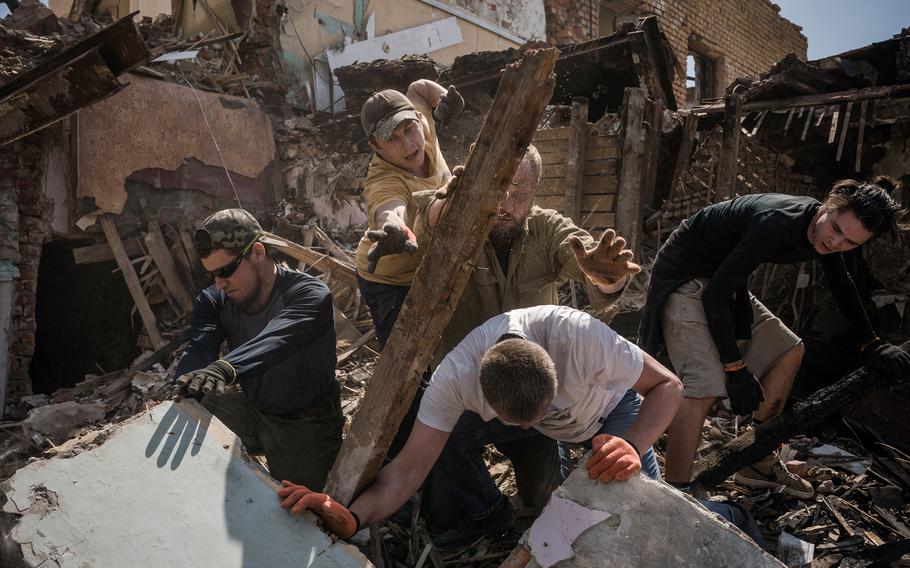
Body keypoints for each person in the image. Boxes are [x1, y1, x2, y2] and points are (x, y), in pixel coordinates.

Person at [277, 305, 683, 547]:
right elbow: (409, 468)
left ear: (554, 370)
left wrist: (631, 444)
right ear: (484, 399)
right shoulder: (454, 378)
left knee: (645, 514)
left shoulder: (576, 335)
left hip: (615, 414)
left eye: (539, 414)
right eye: (519, 422)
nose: (530, 426)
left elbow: (668, 385)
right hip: (566, 428)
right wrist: (353, 516)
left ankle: (725, 517)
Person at [639, 179, 910, 497]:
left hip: (724, 282)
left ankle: (757, 461)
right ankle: (674, 493)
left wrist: (871, 344)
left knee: (789, 349)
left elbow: (843, 284)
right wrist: (735, 368)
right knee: (703, 386)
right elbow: (714, 297)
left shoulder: (823, 232)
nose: (836, 242)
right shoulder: (777, 222)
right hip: (685, 276)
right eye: (835, 229)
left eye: (850, 242)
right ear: (829, 204)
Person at [173, 209, 343, 489]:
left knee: (300, 516)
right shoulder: (214, 299)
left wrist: (227, 367)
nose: (219, 283)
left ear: (258, 253)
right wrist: (184, 387)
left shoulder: (309, 295)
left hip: (305, 424)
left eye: (226, 270)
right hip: (253, 410)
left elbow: (276, 339)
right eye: (212, 274)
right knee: (190, 411)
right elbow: (200, 349)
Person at [354, 80, 464, 347]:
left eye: (408, 129)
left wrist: (442, 99)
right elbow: (389, 209)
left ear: (418, 118)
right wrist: (395, 228)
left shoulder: (423, 124)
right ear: (375, 146)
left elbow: (417, 88)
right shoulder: (382, 180)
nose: (407, 145)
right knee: (406, 360)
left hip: (428, 265)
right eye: (391, 138)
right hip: (388, 280)